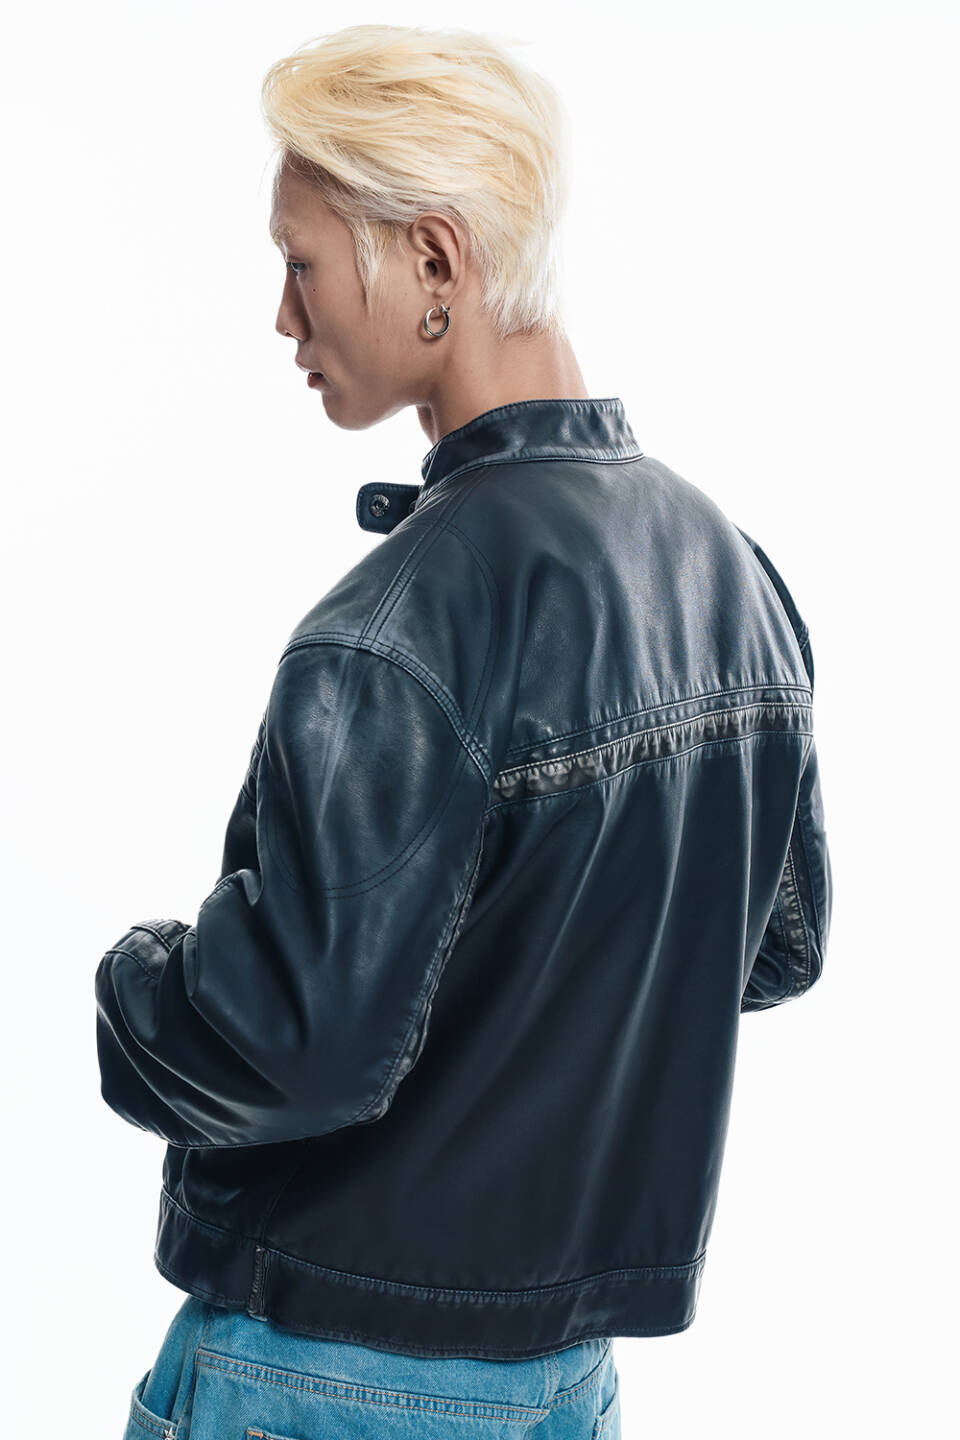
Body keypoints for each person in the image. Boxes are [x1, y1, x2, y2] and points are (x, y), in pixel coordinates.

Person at [96, 24, 832, 1440]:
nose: (283, 317)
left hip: (321, 1380)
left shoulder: (399, 623)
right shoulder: (730, 574)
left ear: (433, 259)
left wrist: (130, 988)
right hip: (563, 1385)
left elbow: (296, 1047)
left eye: (301, 263)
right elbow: (773, 947)